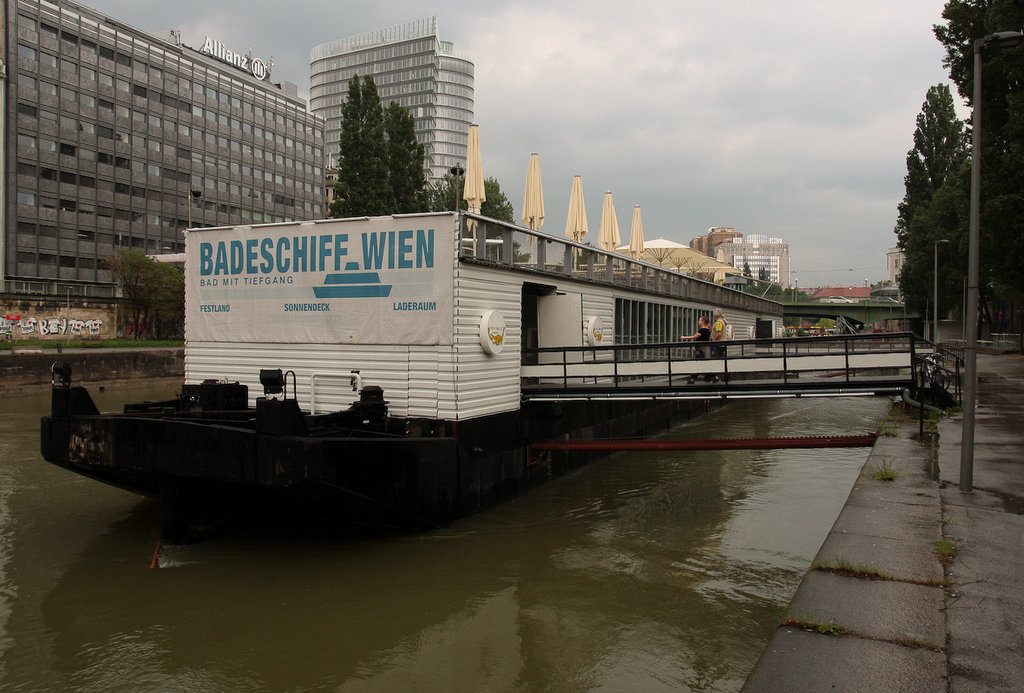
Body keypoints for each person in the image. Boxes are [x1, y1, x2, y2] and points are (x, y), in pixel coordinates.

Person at [680, 315, 715, 383]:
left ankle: (693, 379)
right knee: (704, 364)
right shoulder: (708, 329)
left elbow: (694, 337)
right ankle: (710, 377)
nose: (698, 321)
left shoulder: (702, 330)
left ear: (703, 321)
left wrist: (684, 337)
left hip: (701, 350)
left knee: (696, 364)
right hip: (705, 349)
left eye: (699, 320)